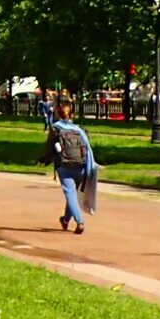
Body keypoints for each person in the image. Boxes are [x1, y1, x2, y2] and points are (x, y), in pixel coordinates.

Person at [46, 99, 97, 234]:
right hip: (81, 167)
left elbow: (49, 147)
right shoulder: (79, 130)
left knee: (70, 194)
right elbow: (88, 149)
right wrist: (89, 169)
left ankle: (80, 222)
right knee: (72, 195)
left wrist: (44, 159)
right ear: (72, 115)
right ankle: (65, 220)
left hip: (64, 167)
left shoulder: (55, 128)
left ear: (58, 113)